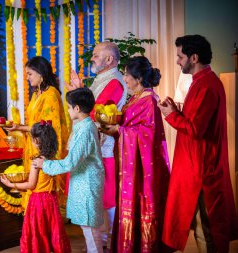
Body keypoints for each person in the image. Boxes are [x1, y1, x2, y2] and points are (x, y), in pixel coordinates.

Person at [158, 34, 238, 253]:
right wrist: (175, 110)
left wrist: (170, 115)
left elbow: (195, 129)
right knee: (200, 227)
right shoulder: (200, 83)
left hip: (203, 169)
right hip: (195, 165)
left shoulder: (207, 85)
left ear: (193, 57)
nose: (177, 61)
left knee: (207, 229)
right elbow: (194, 120)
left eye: (180, 56)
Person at [100, 56, 170, 253]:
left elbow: (149, 136)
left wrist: (118, 131)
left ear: (138, 78)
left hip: (143, 169)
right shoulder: (135, 98)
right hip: (131, 167)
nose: (124, 79)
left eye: (126, 75)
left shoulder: (149, 100)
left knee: (141, 203)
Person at [66, 41, 128, 246]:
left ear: (109, 59)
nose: (91, 58)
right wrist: (80, 90)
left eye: (95, 55)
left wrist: (78, 97)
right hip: (94, 150)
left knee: (101, 205)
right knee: (94, 207)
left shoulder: (114, 82)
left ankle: (103, 246)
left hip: (102, 152)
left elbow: (98, 113)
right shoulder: (102, 79)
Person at [34, 87, 105, 253]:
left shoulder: (86, 130)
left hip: (87, 183)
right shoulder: (82, 126)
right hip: (84, 182)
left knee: (90, 228)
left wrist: (45, 165)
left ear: (77, 108)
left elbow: (71, 162)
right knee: (87, 227)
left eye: (68, 106)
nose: (67, 110)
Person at [5, 56, 69, 209]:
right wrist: (20, 126)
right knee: (33, 187)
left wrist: (20, 128)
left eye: (30, 74)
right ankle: (33, 223)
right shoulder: (36, 94)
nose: (27, 78)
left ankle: (43, 223)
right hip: (33, 145)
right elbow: (35, 122)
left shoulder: (51, 94)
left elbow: (48, 126)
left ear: (41, 74)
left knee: (41, 189)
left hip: (45, 149)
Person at [0, 122, 71, 253]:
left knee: (38, 230)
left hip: (38, 201)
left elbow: (31, 185)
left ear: (36, 141)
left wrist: (11, 184)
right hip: (51, 200)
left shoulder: (37, 162)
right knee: (52, 228)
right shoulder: (52, 158)